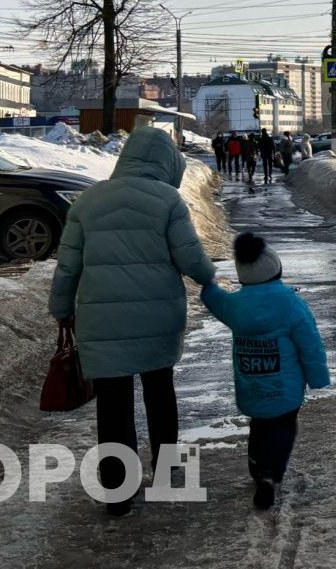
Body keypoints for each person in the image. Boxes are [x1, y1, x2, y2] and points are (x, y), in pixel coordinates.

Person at [49, 127, 216, 517]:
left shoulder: (88, 201)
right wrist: (210, 278)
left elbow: (68, 265)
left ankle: (117, 492)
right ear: (166, 164)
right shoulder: (167, 201)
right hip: (158, 317)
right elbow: (190, 258)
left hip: (102, 319)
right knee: (160, 392)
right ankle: (166, 469)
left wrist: (61, 308)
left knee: (113, 403)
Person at [201, 233, 330, 510]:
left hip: (252, 387)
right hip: (286, 390)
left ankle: (257, 466)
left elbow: (215, 300)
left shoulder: (235, 305)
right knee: (283, 427)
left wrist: (208, 284)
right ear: (276, 268)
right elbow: (310, 344)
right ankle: (271, 474)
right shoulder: (291, 304)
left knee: (259, 425)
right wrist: (318, 378)